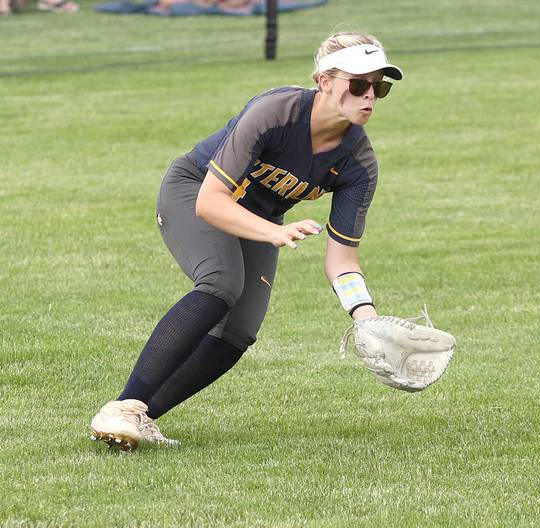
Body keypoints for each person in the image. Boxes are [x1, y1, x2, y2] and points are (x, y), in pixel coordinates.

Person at [89, 31, 403, 451]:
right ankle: (123, 405)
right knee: (222, 282)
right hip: (194, 190)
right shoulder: (275, 112)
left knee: (239, 329)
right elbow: (210, 202)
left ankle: (135, 417)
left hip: (259, 218)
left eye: (379, 87)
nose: (370, 97)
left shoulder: (358, 163)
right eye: (359, 84)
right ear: (324, 81)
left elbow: (343, 259)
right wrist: (274, 232)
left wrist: (366, 317)